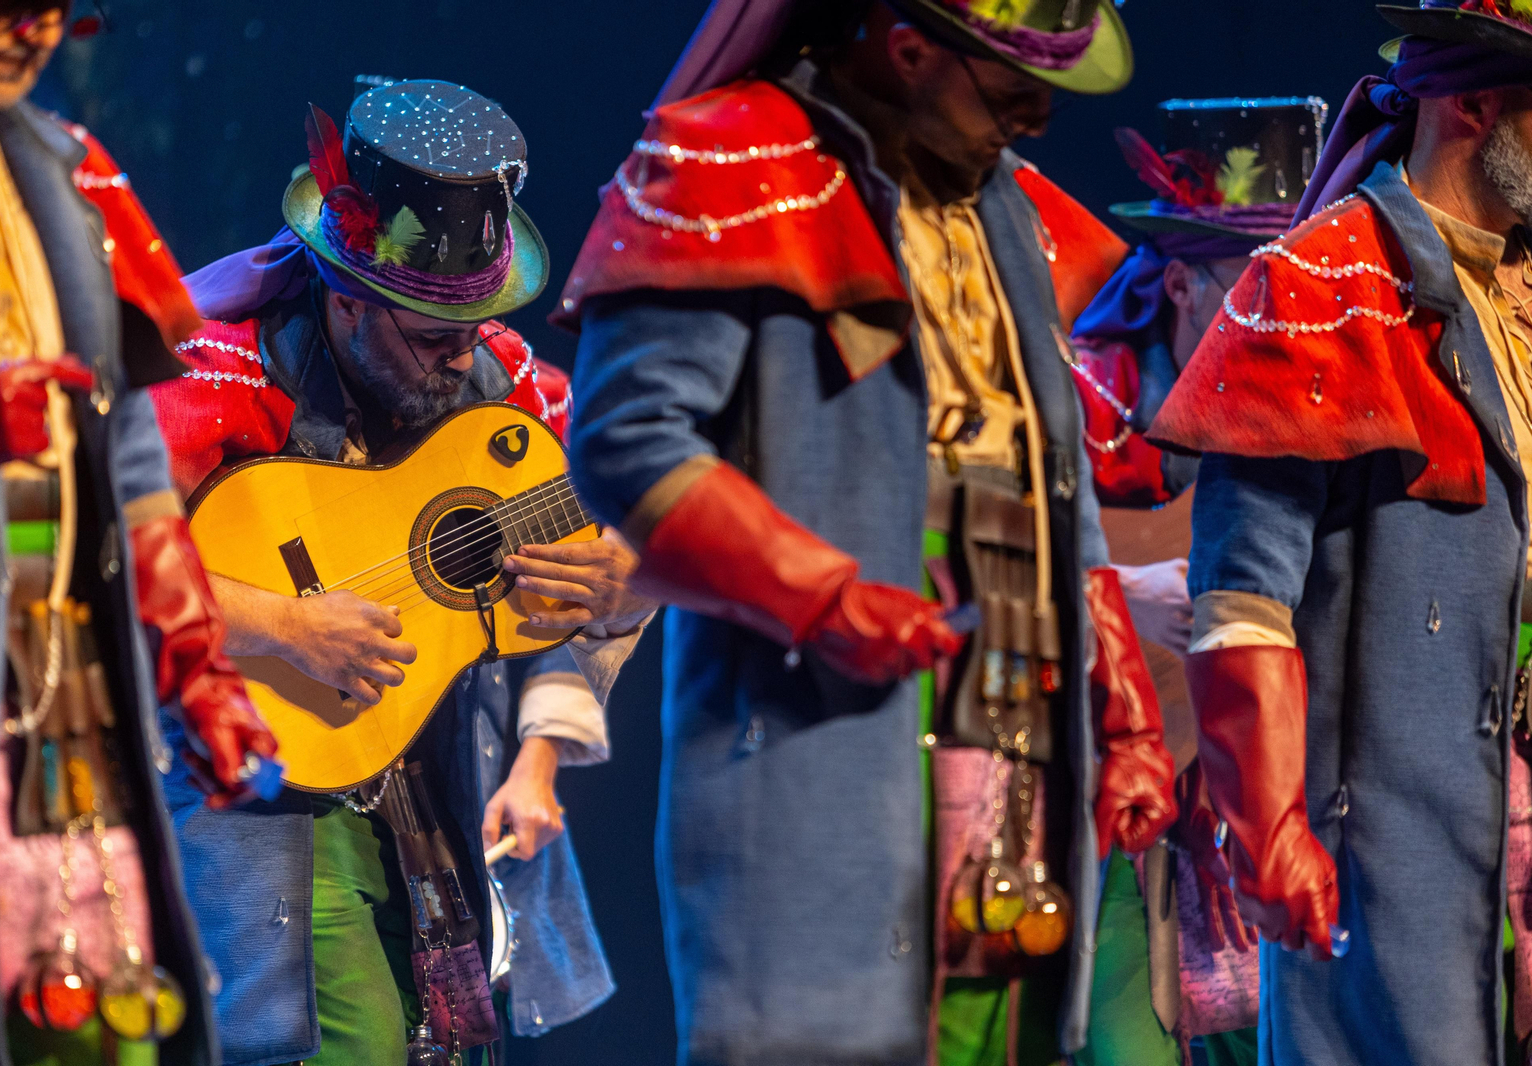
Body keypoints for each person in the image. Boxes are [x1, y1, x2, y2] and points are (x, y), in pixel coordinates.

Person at [557, 2, 1179, 1063]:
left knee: (1003, 1024)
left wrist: (1124, 720)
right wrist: (822, 595)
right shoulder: (730, 158)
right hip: (833, 717)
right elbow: (627, 439)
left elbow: (1052, 481)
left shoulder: (1001, 203)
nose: (1037, 119)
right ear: (910, 49)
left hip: (1018, 694)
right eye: (1011, 87)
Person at [150, 79, 652, 1066]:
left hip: (437, 782)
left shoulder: (502, 379)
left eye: (472, 327)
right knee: (352, 1042)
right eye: (428, 337)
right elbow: (95, 557)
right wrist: (284, 625)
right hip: (267, 775)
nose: (457, 358)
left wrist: (625, 578)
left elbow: (635, 515)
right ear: (346, 297)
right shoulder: (220, 372)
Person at [1147, 2, 1532, 1062]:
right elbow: (1242, 599)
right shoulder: (1316, 290)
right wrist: (1270, 829)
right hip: (1387, 853)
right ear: (1476, 104)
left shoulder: (1522, 293)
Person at [0, 3, 278, 1065]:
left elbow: (130, 455)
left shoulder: (66, 171)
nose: (34, 31)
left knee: (88, 1011)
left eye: (54, 7)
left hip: (59, 672)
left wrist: (200, 669)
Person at [1069, 96, 1332, 1066]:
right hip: (1100, 789)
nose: (1271, 322)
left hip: (1245, 797)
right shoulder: (1074, 400)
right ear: (1178, 283)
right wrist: (1121, 589)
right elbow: (966, 544)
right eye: (1248, 290)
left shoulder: (1299, 399)